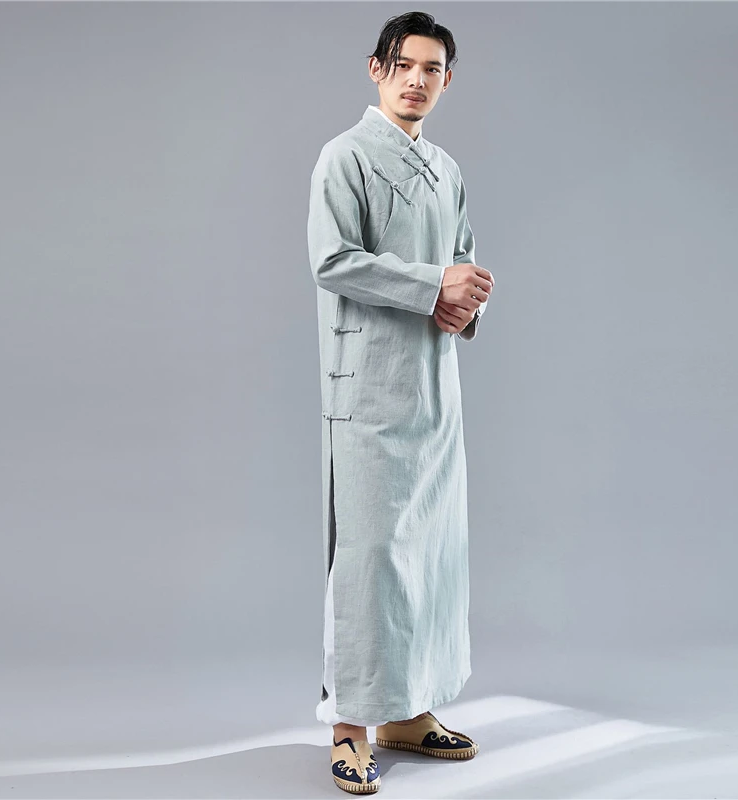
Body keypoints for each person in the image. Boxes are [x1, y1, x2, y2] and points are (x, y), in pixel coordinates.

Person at [307, 11, 495, 793]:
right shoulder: (344, 157)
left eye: (432, 69)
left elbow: (462, 257)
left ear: (448, 81)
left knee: (432, 548)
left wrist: (466, 302)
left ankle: (408, 710)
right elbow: (332, 259)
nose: (417, 80)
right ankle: (352, 723)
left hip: (433, 383)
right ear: (377, 69)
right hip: (369, 385)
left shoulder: (446, 169)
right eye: (404, 64)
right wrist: (430, 287)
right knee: (371, 554)